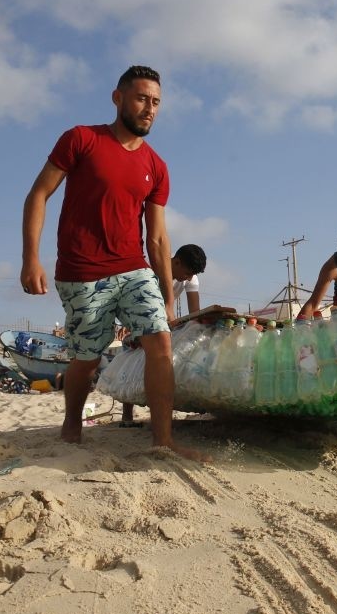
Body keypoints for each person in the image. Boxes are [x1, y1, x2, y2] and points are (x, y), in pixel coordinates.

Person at [20, 64, 209, 462]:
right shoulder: (81, 139)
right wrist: (31, 258)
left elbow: (157, 237)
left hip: (133, 267)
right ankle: (72, 421)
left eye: (156, 102)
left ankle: (163, 441)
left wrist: (167, 299)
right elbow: (39, 194)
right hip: (82, 271)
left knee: (160, 341)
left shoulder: (156, 167)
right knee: (86, 359)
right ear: (118, 97)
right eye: (142, 99)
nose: (149, 109)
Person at [121, 244, 207, 426]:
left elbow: (194, 313)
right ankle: (127, 416)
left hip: (163, 318)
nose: (189, 278)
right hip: (140, 314)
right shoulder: (151, 271)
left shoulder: (191, 279)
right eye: (188, 272)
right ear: (176, 262)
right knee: (131, 357)